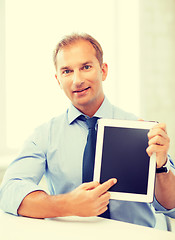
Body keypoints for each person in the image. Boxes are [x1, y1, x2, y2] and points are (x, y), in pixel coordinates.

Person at [0, 33, 175, 228]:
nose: (77, 80)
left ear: (103, 71)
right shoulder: (45, 135)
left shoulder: (142, 130)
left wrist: (161, 167)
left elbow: (173, 207)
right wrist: (69, 204)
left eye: (86, 67)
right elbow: (9, 192)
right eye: (67, 71)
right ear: (58, 80)